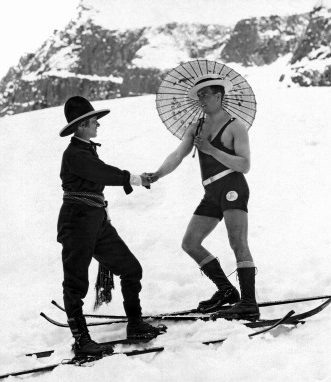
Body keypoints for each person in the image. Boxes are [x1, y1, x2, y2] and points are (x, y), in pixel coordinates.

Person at [57, 96, 165, 357]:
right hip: (77, 223)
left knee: (131, 269)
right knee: (75, 284)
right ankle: (82, 341)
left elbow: (99, 173)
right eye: (94, 121)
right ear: (81, 125)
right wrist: (134, 178)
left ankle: (136, 324)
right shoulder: (75, 154)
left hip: (96, 222)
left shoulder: (85, 150)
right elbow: (101, 173)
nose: (98, 126)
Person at [146, 74, 260, 318]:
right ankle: (227, 291)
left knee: (237, 242)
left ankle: (249, 304)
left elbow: (244, 165)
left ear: (219, 96)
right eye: (198, 96)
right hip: (211, 191)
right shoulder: (196, 127)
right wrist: (157, 174)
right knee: (190, 243)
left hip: (232, 186)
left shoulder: (235, 127)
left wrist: (210, 149)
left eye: (205, 94)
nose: (201, 99)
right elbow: (178, 155)